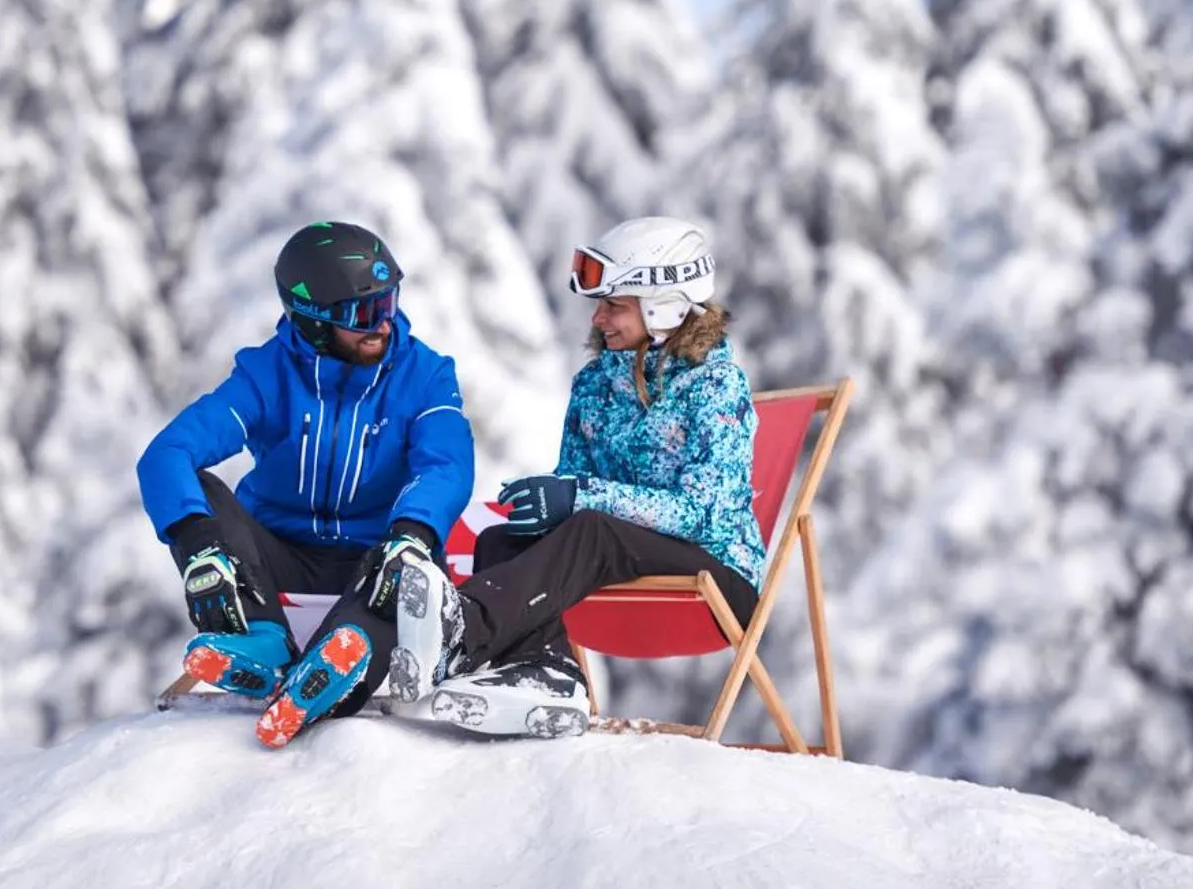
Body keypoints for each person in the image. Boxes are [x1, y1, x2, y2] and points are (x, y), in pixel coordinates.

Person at [384, 216, 765, 738]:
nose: (600, 319)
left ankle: (462, 629)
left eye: (615, 305)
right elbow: (576, 490)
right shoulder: (595, 383)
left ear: (662, 305)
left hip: (719, 575)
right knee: (506, 536)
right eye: (599, 305)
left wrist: (579, 497)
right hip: (625, 559)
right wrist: (552, 501)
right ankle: (547, 673)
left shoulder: (716, 385)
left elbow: (701, 514)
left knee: (591, 528)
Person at [136, 220, 475, 749]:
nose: (383, 326)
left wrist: (411, 533)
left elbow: (446, 465)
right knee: (199, 487)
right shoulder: (266, 374)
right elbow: (168, 453)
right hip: (276, 555)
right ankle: (261, 640)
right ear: (314, 321)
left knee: (406, 574)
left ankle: (346, 656)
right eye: (364, 314)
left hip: (376, 556)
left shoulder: (425, 374)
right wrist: (198, 543)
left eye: (388, 304)